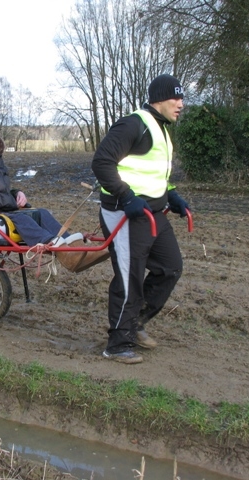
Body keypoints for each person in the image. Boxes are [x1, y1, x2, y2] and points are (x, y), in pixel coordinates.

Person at [91, 74, 190, 364]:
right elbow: (102, 163)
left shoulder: (161, 129)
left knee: (171, 268)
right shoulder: (133, 124)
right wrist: (125, 196)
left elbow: (152, 174)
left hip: (152, 211)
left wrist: (172, 195)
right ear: (159, 98)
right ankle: (117, 344)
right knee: (129, 278)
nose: (181, 104)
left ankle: (134, 324)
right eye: (176, 98)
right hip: (125, 213)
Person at [0, 120, 105, 271]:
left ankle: (76, 250)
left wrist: (16, 193)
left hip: (4, 211)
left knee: (41, 213)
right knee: (21, 218)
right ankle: (66, 256)